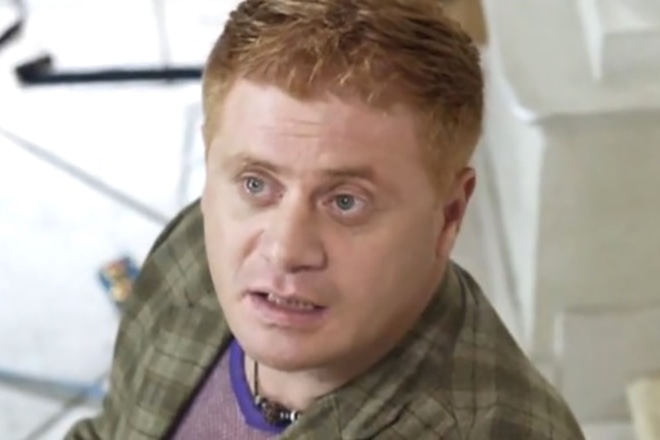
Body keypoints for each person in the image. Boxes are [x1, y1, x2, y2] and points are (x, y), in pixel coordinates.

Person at [66, 0, 585, 438]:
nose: (284, 250)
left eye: (346, 202)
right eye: (256, 184)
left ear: (448, 216)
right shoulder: (191, 250)